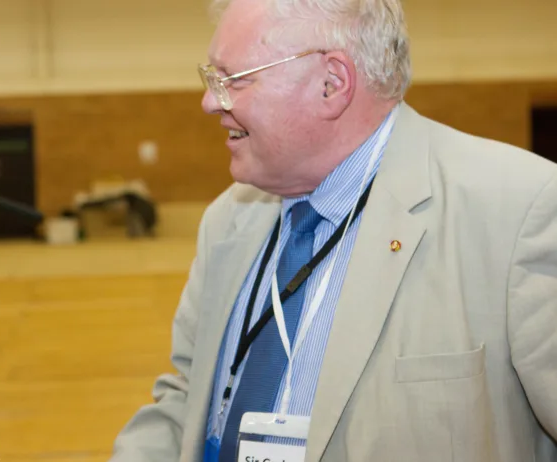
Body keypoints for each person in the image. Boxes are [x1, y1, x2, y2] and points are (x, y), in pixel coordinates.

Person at [110, 0, 557, 461]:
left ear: (331, 84)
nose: (209, 101)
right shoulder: (228, 220)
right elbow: (189, 398)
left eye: (234, 80)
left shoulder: (519, 214)